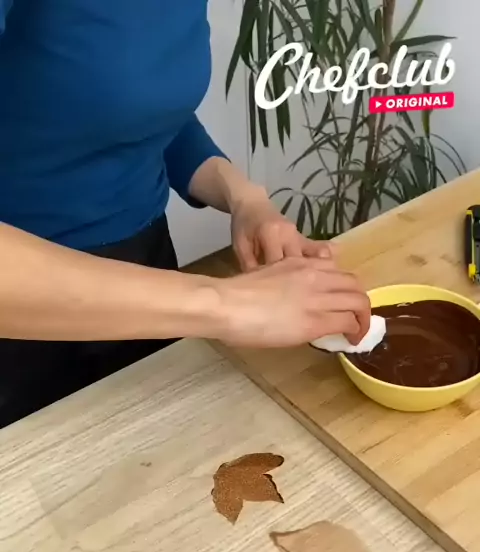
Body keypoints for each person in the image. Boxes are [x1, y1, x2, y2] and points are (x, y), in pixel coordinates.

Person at [0, 0, 371, 427]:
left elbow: (134, 110)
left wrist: (242, 196)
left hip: (148, 266)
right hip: (24, 308)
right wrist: (226, 303)